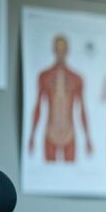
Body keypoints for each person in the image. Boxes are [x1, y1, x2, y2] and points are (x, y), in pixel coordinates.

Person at [27, 35, 93, 163]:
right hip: (50, 131)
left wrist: (87, 138)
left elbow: (82, 109)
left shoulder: (76, 78)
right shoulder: (44, 76)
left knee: (71, 176)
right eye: (58, 49)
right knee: (48, 175)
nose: (60, 53)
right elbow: (38, 106)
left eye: (63, 50)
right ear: (54, 50)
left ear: (67, 51)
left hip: (69, 132)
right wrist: (31, 135)